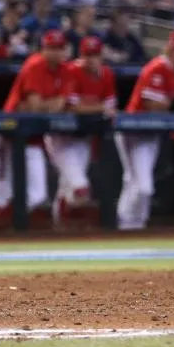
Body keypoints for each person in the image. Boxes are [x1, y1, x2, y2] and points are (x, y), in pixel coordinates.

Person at [0, 30, 70, 230]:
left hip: (33, 137)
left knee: (38, 194)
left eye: (59, 48)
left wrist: (47, 104)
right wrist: (52, 104)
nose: (56, 53)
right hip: (9, 132)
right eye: (51, 48)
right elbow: (36, 107)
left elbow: (60, 104)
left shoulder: (65, 70)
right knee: (4, 186)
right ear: (44, 49)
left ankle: (12, 224)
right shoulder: (35, 65)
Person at [114, 32, 174, 231]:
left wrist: (173, 103)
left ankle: (134, 226)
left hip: (151, 134)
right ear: (172, 51)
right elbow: (153, 105)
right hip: (133, 130)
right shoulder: (158, 67)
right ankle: (128, 225)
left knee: (135, 183)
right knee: (141, 185)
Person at [45, 36, 115, 229]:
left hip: (82, 139)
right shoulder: (72, 70)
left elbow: (110, 107)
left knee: (68, 189)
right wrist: (99, 107)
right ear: (80, 55)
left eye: (95, 55)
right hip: (61, 137)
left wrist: (94, 107)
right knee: (80, 188)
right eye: (87, 55)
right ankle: (61, 224)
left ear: (101, 56)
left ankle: (59, 228)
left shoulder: (106, 74)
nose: (91, 60)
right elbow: (74, 107)